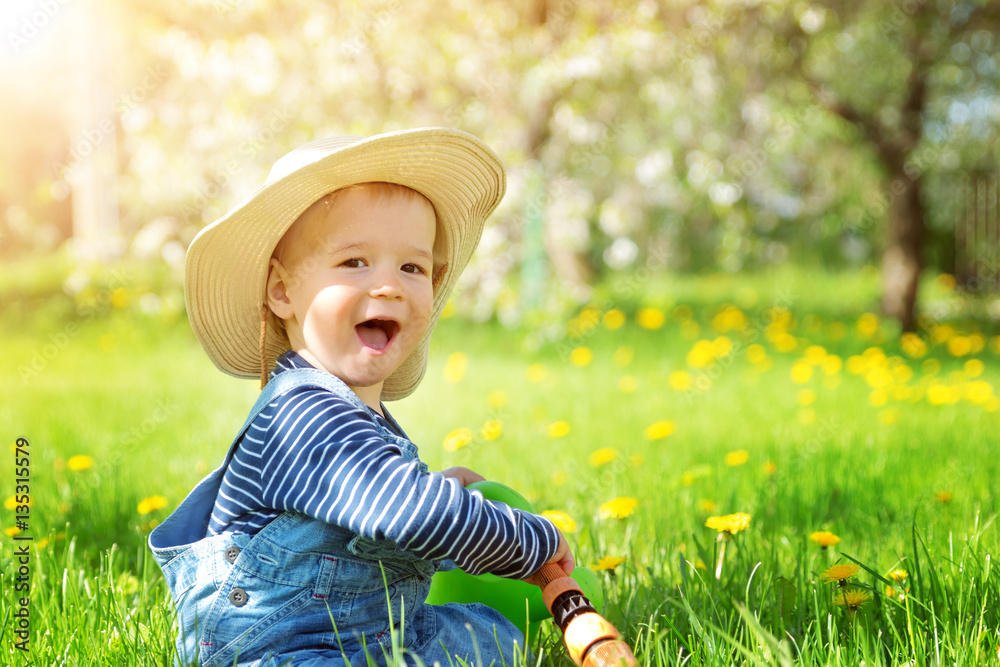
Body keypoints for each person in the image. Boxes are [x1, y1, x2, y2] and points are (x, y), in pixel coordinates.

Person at [149, 128, 574, 667]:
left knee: (492, 635)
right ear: (282, 291)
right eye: (354, 263)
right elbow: (408, 515)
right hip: (284, 651)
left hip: (375, 634)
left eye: (412, 267)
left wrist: (439, 487)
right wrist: (533, 541)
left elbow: (377, 507)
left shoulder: (356, 419)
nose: (388, 285)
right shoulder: (302, 413)